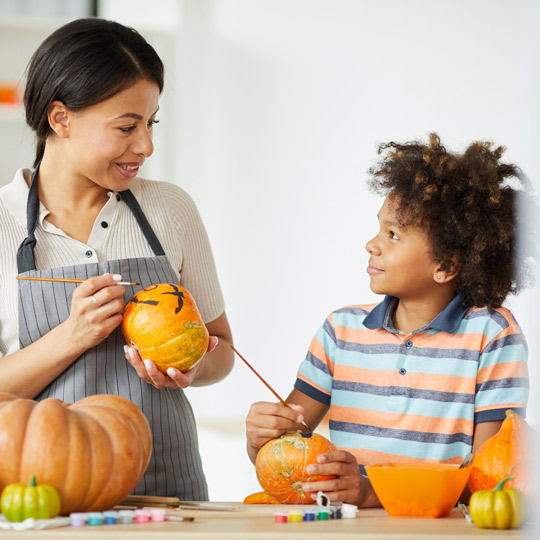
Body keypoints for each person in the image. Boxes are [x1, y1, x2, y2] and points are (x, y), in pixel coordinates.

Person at [0, 18, 234, 501]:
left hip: (171, 494)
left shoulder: (170, 209)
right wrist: (73, 336)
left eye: (151, 123)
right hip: (48, 501)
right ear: (60, 119)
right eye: (127, 127)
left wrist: (192, 367)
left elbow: (223, 350)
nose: (146, 146)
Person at [246, 133, 534, 507]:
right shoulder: (340, 331)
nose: (373, 244)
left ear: (445, 266)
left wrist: (371, 492)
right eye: (379, 228)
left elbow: (492, 478)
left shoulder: (492, 335)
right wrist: (260, 440)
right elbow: (287, 461)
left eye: (393, 234)